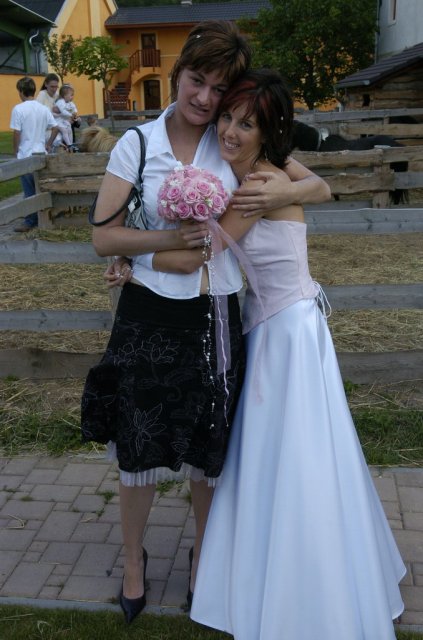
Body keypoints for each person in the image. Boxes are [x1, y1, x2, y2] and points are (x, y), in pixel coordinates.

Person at [80, 21, 330, 625]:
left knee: (209, 450)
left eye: (218, 88)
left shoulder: (234, 138)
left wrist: (280, 196)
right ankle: (134, 562)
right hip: (147, 313)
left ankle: (203, 563)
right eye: (197, 80)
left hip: (216, 312)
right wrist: (158, 246)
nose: (205, 98)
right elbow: (104, 236)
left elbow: (315, 185)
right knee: (137, 451)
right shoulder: (137, 145)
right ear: (178, 74)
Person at [152, 69, 405, 639]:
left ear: (267, 133)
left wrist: (131, 254)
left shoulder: (258, 185)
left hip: (284, 331)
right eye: (227, 118)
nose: (230, 131)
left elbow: (201, 254)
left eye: (246, 125)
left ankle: (306, 582)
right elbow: (318, 184)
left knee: (296, 455)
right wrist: (296, 189)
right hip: (282, 325)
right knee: (300, 450)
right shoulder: (270, 172)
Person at [10, 76, 59, 232]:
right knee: (41, 188)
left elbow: (17, 133)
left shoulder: (18, 109)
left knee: (29, 192)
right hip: (40, 154)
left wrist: (15, 150)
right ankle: (44, 218)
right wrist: (48, 144)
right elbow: (55, 128)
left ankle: (30, 221)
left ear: (21, 91)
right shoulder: (43, 109)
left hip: (25, 155)